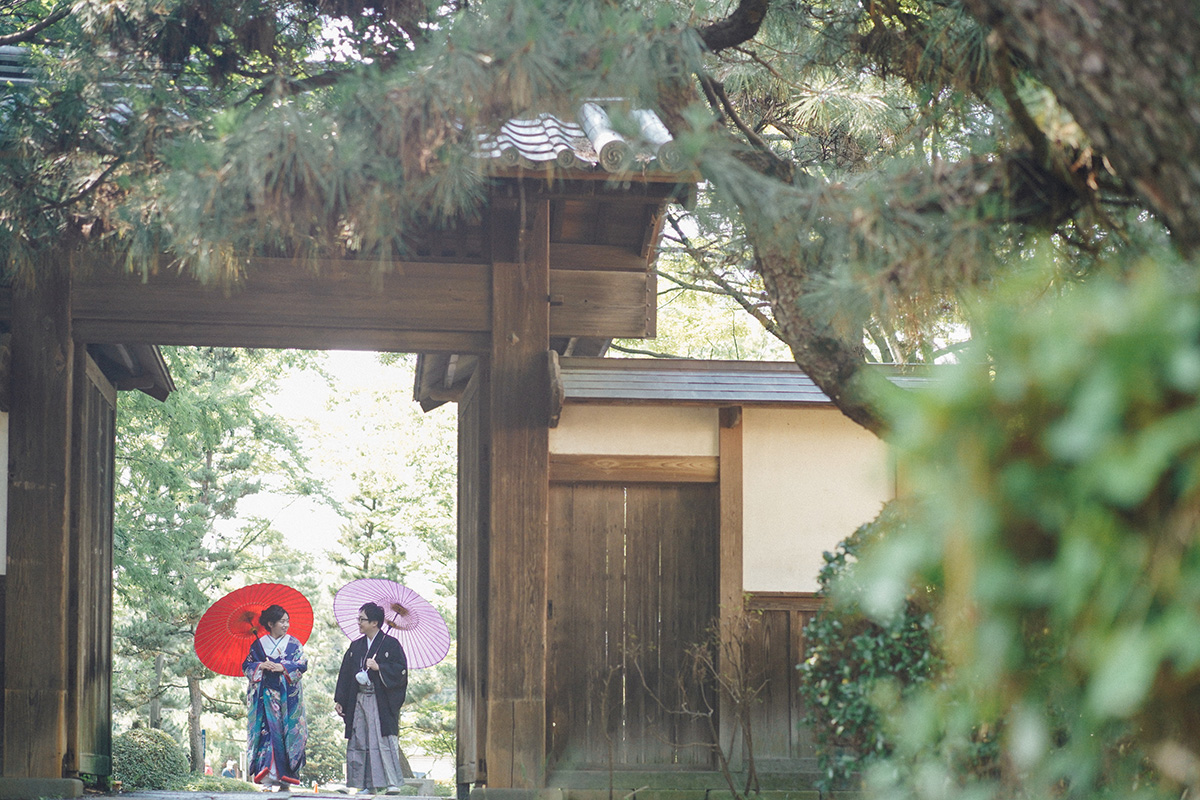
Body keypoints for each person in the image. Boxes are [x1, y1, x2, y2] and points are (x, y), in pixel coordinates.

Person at [334, 602, 409, 794]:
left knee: (382, 739)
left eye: (362, 619)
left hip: (379, 700)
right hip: (358, 698)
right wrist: (340, 700)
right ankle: (366, 784)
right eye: (359, 619)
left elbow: (400, 671)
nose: (358, 622)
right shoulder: (356, 646)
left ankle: (392, 782)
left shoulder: (390, 645)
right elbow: (345, 673)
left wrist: (379, 668)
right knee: (360, 739)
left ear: (374, 622)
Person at [243, 604, 309, 791]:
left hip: (287, 698)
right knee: (268, 734)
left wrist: (283, 667)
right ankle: (267, 778)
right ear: (270, 623)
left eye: (287, 621)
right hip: (265, 697)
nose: (286, 625)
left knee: (286, 734)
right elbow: (247, 666)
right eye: (282, 621)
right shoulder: (258, 645)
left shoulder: (294, 643)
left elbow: (302, 664)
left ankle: (285, 780)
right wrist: (260, 666)